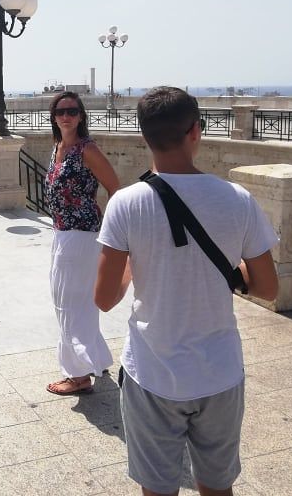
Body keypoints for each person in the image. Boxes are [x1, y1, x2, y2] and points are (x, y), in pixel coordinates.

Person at [95, 86, 279, 496]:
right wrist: (233, 264)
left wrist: (134, 263)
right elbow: (267, 288)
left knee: (158, 489)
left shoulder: (125, 205)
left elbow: (105, 298)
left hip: (153, 371)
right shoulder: (238, 200)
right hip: (220, 371)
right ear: (196, 130)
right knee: (217, 486)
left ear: (143, 135)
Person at [43, 91, 120, 395]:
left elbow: (116, 190)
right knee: (77, 302)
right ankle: (94, 360)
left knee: (69, 304)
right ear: (54, 116)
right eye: (61, 111)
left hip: (82, 235)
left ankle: (78, 375)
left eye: (73, 111)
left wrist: (114, 234)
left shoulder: (87, 150)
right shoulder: (58, 147)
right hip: (62, 233)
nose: (66, 116)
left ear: (81, 116)